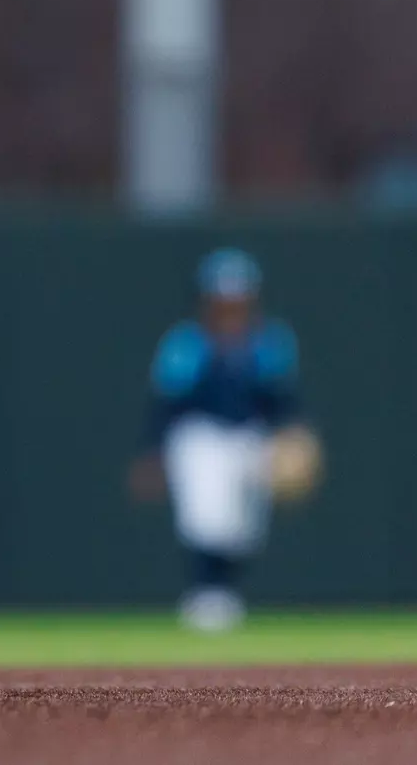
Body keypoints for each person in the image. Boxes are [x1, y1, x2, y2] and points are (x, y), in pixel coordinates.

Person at [126, 249, 320, 632]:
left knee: (246, 531)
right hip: (200, 436)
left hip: (250, 437)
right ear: (207, 300)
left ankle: (222, 591)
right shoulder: (188, 343)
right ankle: (208, 594)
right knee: (207, 517)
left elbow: (283, 401)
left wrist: (296, 437)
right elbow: (166, 404)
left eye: (239, 299)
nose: (231, 307)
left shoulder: (269, 342)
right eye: (223, 299)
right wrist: (152, 452)